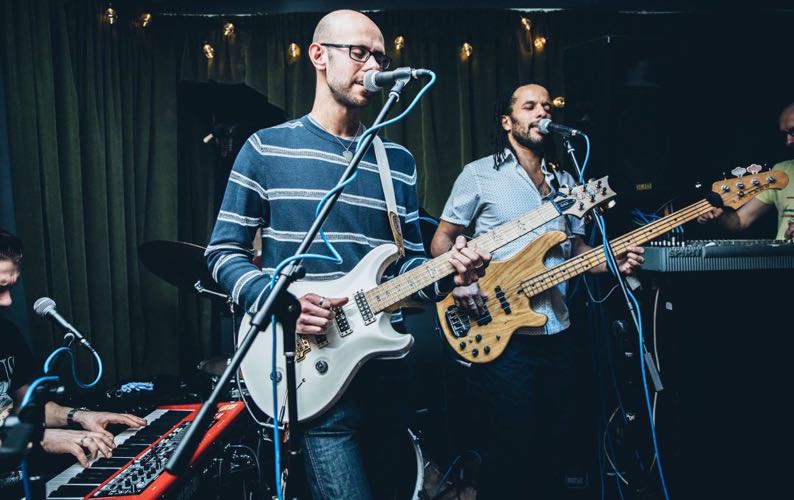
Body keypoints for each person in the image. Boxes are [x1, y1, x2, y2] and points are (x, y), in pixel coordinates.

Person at [205, 9, 490, 499]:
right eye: (359, 53)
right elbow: (222, 252)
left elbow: (407, 267)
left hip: (383, 374)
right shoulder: (266, 149)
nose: (372, 66)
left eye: (380, 56)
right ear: (319, 56)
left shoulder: (395, 162)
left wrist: (450, 273)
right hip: (308, 371)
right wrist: (282, 302)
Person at [430, 83, 644, 498]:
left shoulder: (569, 182)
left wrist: (611, 261)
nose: (542, 112)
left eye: (547, 105)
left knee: (557, 446)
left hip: (559, 330)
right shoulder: (479, 174)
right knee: (512, 449)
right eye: (529, 106)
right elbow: (443, 239)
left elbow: (578, 250)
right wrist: (463, 278)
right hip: (502, 333)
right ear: (508, 121)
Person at [0, 229, 147, 472]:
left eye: (11, 288)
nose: (7, 302)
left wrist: (78, 416)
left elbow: (26, 407)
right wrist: (42, 438)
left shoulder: (7, 333)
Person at [697, 102, 794, 239]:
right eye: (785, 134)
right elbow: (741, 221)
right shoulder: (781, 172)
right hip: (785, 260)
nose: (788, 141)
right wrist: (719, 215)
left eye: (793, 131)